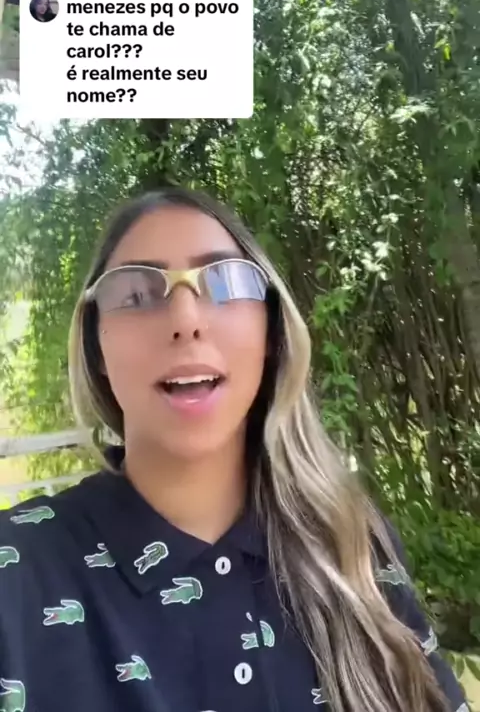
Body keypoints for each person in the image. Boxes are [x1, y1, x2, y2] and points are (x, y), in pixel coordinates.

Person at [0, 187, 469, 712]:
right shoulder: (15, 573)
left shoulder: (354, 543)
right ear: (97, 348)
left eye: (225, 281)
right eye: (135, 294)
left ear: (270, 333)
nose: (186, 320)